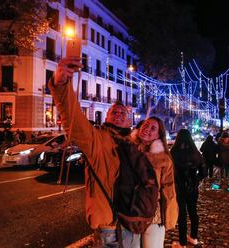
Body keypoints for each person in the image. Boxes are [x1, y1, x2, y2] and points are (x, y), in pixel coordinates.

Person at [50, 57, 153, 247]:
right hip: (112, 226)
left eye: (123, 113)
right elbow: (74, 120)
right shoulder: (97, 139)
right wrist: (61, 84)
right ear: (106, 116)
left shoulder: (133, 144)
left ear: (129, 120)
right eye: (114, 111)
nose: (119, 114)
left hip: (134, 222)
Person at [130, 117, 178, 248]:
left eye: (153, 128)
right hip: (129, 212)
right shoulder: (127, 150)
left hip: (153, 214)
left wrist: (169, 216)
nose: (147, 129)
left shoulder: (163, 158)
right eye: (145, 125)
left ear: (159, 134)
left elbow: (168, 188)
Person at [171, 129, 206, 248]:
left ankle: (182, 243)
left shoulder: (173, 153)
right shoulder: (196, 153)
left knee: (182, 214)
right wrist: (195, 180)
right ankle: (194, 237)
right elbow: (203, 172)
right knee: (193, 212)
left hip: (178, 187)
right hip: (192, 187)